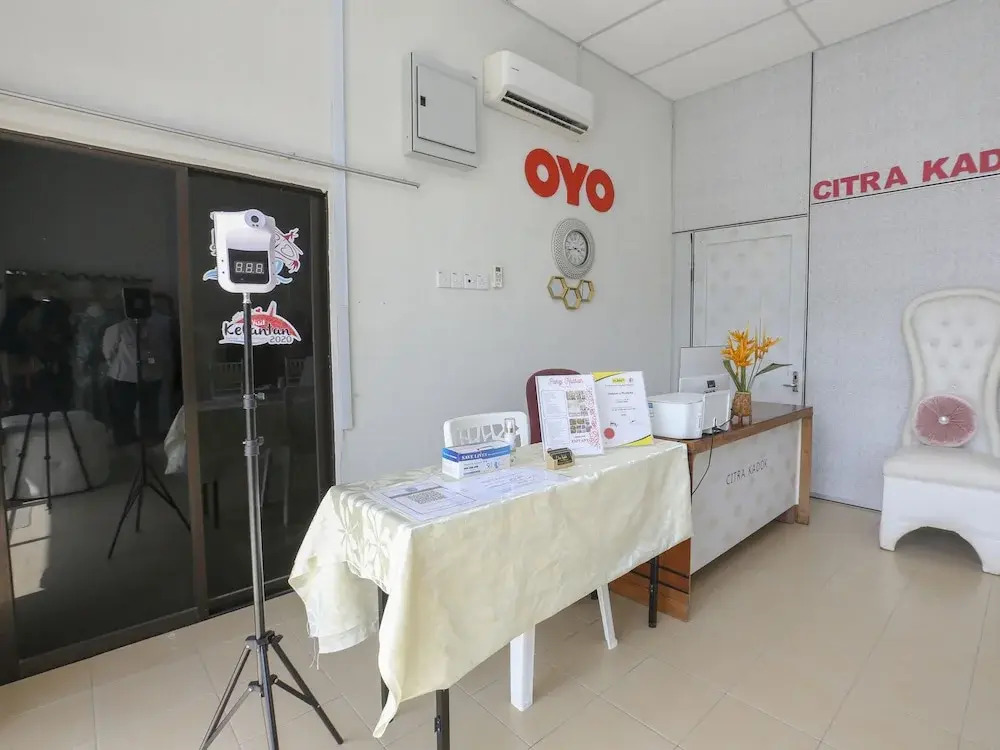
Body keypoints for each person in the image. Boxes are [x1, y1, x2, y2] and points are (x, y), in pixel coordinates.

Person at [102, 306, 171, 445]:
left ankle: (149, 438)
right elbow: (108, 353)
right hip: (124, 377)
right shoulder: (118, 329)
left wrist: (151, 360)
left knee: (150, 410)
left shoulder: (156, 329)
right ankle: (125, 440)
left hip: (150, 376)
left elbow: (159, 353)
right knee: (123, 411)